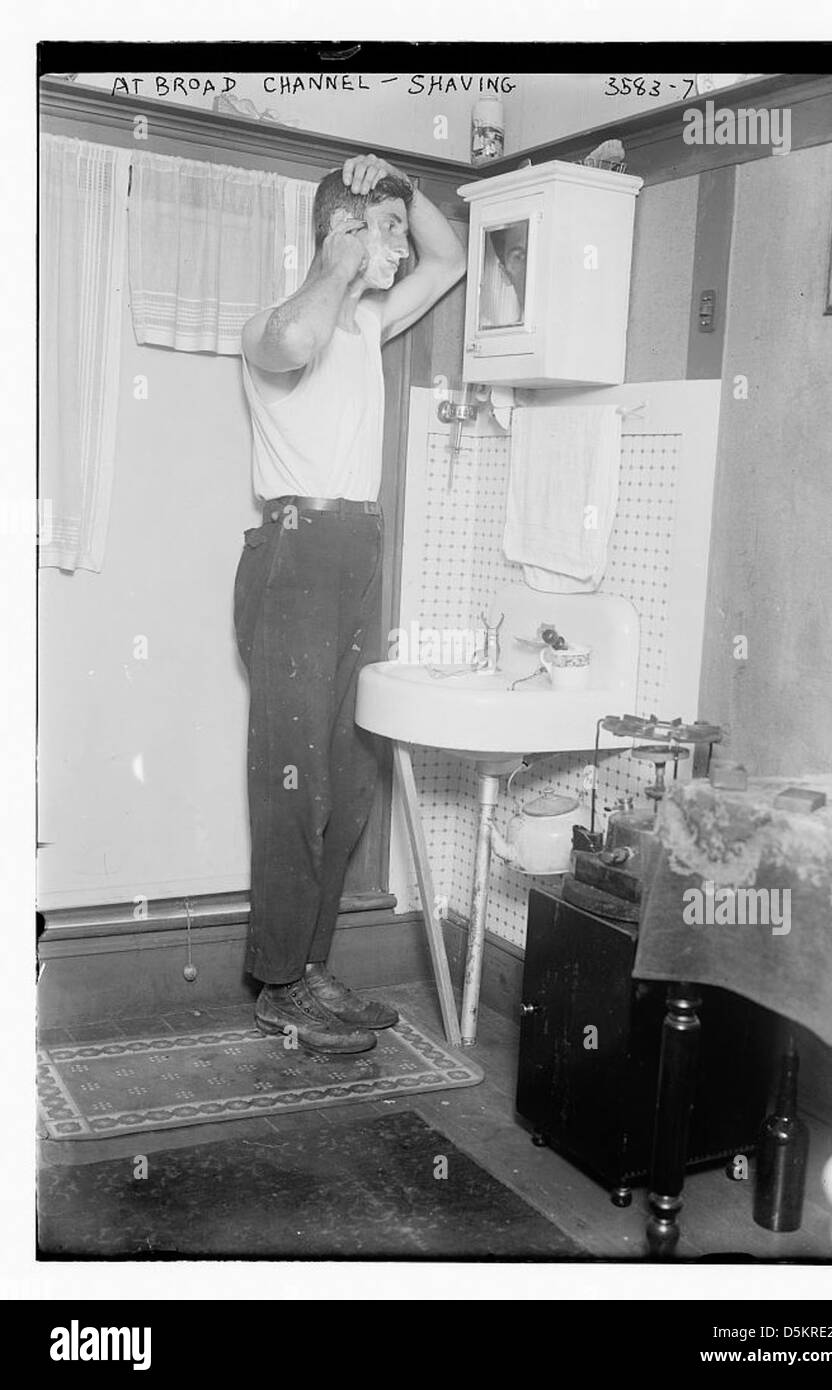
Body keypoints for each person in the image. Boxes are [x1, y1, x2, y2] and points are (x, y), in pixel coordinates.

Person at [236, 153, 466, 1054]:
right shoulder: (271, 325)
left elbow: (448, 261)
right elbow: (293, 343)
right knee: (291, 781)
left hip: (358, 550)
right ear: (340, 235)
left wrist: (401, 189)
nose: (400, 253)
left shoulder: (369, 324)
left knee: (348, 777)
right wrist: (343, 246)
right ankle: (278, 984)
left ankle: (313, 966)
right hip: (294, 551)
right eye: (385, 237)